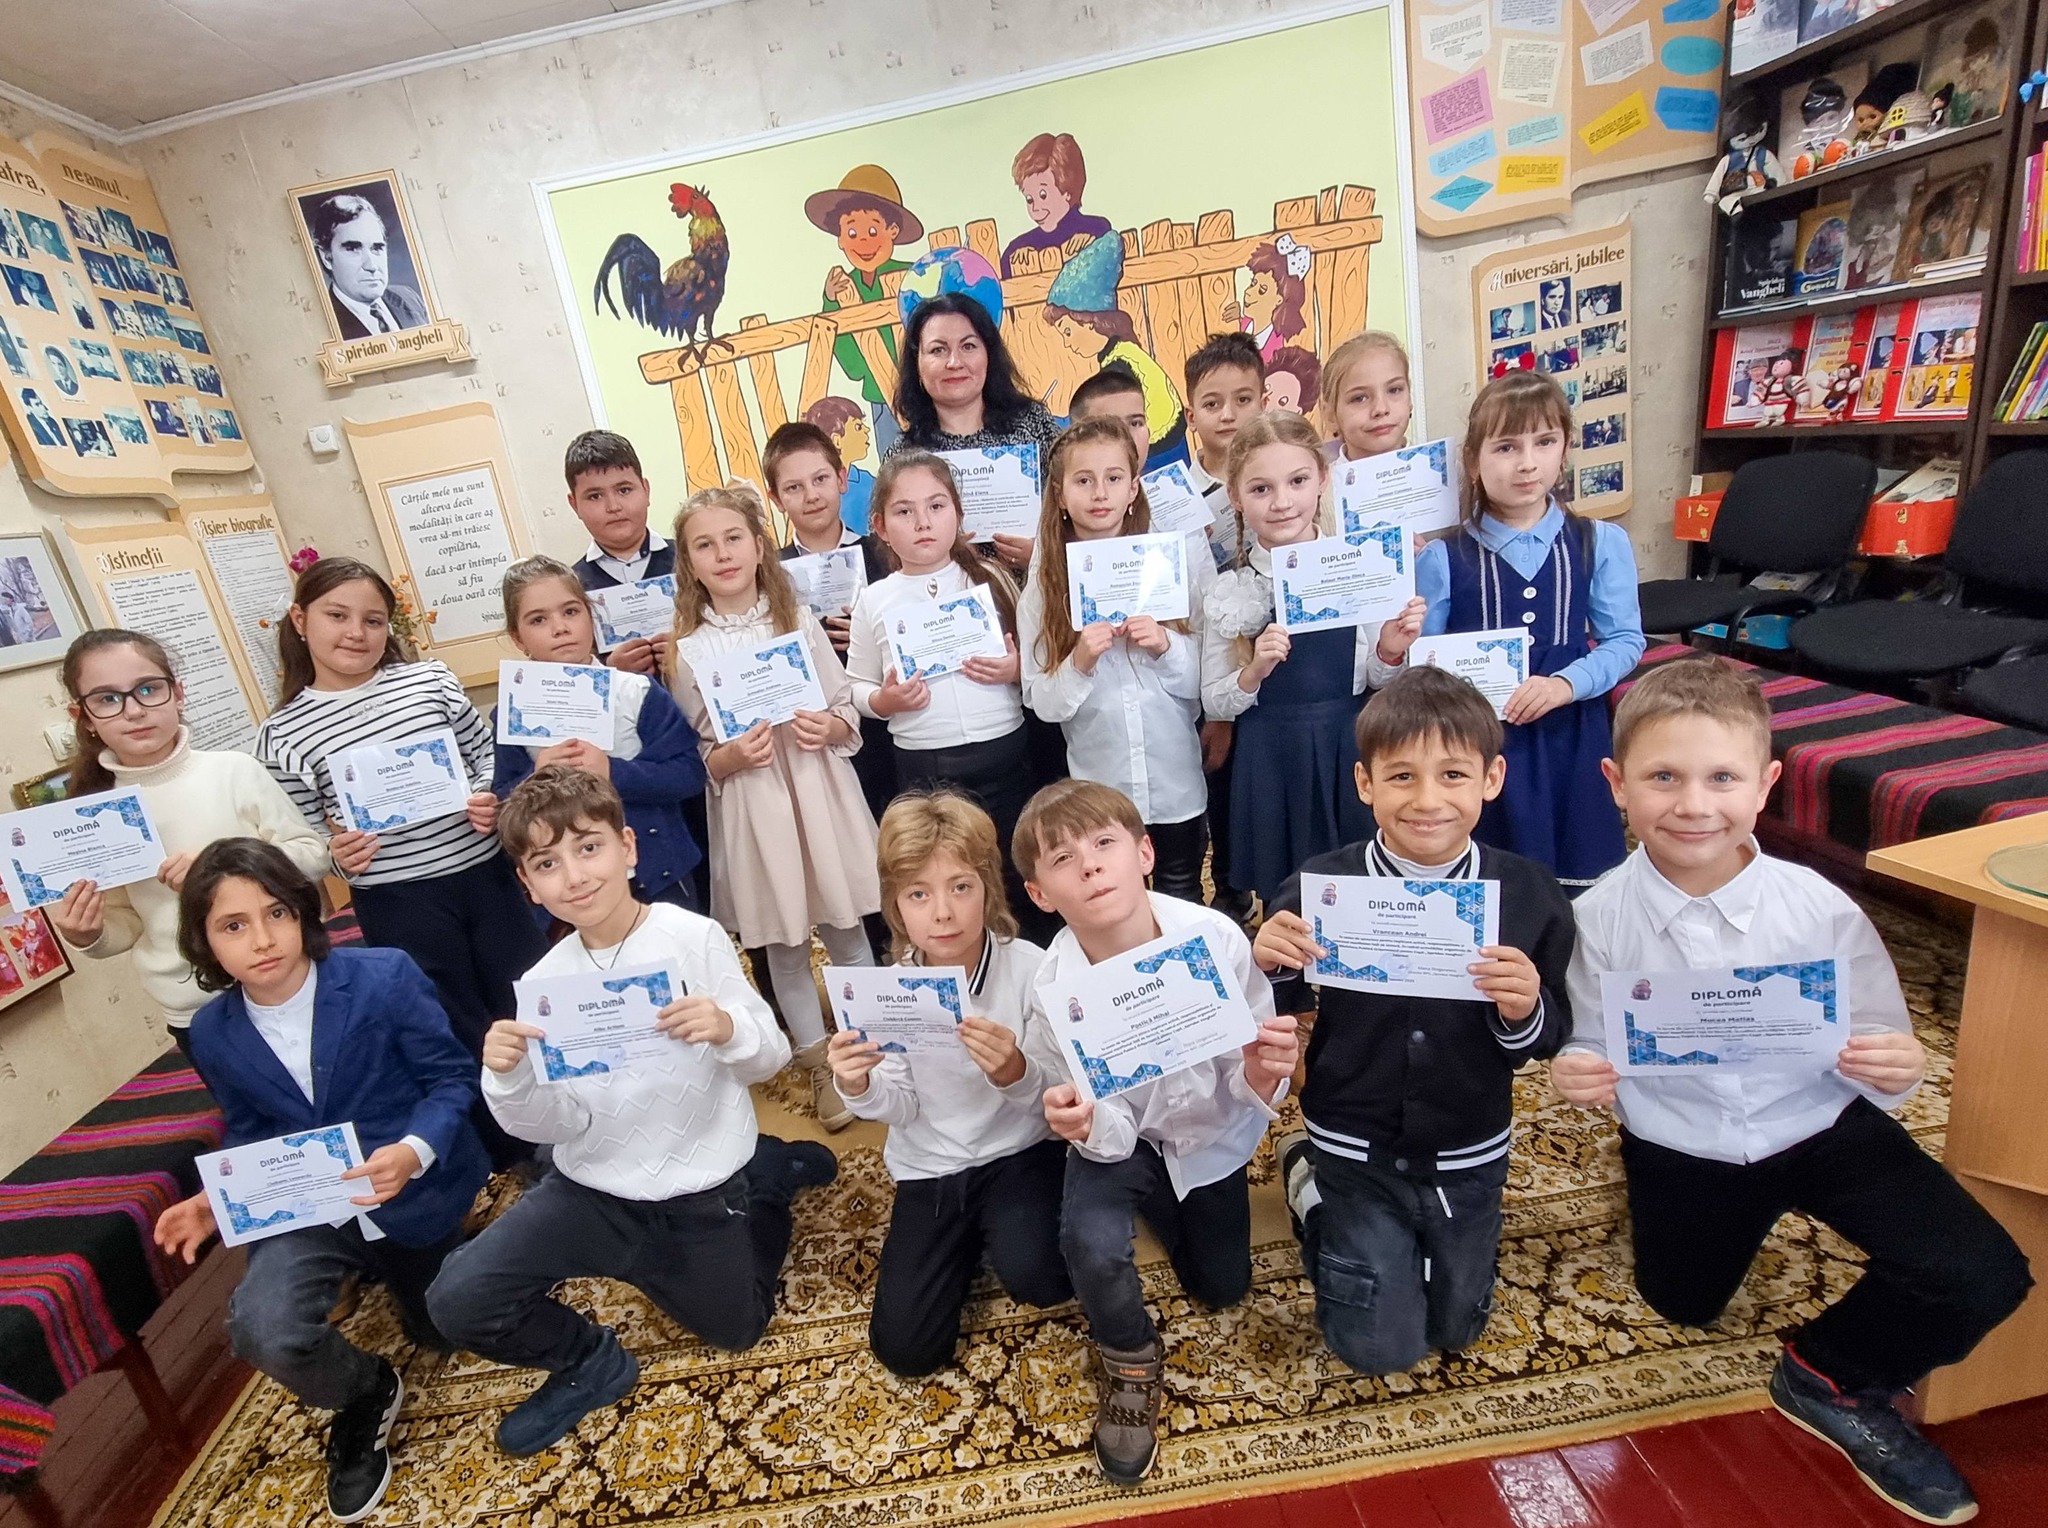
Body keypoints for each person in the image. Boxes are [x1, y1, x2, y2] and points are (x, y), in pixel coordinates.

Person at [1551, 657, 2031, 1526]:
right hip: (1683, 1142)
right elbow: (1588, 1036)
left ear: (1767, 784)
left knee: (1984, 1274)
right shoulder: (1594, 920)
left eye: (1722, 778)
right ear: (1617, 783)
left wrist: (1899, 1064)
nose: (1694, 805)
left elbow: (1885, 1034)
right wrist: (1579, 1067)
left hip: (1821, 1121)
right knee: (1683, 1304)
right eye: (1664, 778)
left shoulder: (1819, 907)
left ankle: (1826, 1376)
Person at [427, 768, 838, 1456]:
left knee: (738, 1329)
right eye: (547, 864)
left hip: (698, 1187)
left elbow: (767, 1059)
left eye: (588, 848)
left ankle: (765, 1181)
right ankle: (590, 1361)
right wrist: (508, 1077)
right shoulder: (544, 986)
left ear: (627, 848)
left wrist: (726, 1027)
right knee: (456, 1298)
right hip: (594, 1190)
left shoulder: (693, 938)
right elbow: (556, 1125)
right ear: (528, 884)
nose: (574, 876)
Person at [154, 838, 488, 1523]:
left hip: (410, 1191)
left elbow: (451, 1079)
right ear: (204, 942)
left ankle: (431, 1265)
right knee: (263, 1328)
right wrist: (217, 1202)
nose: (262, 939)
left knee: (446, 1327)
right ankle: (365, 1390)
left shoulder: (384, 976)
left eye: (275, 913)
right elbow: (249, 1128)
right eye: (233, 925)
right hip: (307, 1206)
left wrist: (413, 1151)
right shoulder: (212, 1032)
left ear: (303, 910)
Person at [1253, 667, 1574, 1374]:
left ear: (1491, 778)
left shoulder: (1529, 893)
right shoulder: (1319, 887)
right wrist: (1266, 963)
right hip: (1354, 1138)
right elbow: (1276, 1006)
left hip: (1467, 1143)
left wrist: (1525, 1007)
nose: (1428, 800)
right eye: (1401, 777)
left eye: (1453, 775)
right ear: (1365, 783)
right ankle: (1313, 1193)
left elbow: (1550, 1034)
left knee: (1459, 1325)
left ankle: (1411, 1253)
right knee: (1376, 1348)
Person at [1016, 780, 1298, 1485]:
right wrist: (1085, 1124)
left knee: (1221, 1287)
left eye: (1104, 843)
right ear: (1040, 893)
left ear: (1145, 853)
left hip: (1210, 1132)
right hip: (1124, 1133)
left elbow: (1249, 1077)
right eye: (1063, 858)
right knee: (1087, 1239)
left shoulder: (1216, 940)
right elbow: (1104, 1126)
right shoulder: (1053, 990)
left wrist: (1263, 1072)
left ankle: (1269, 1178)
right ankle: (1129, 1358)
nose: (1090, 865)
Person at [256, 556, 548, 1166]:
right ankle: (508, 1152)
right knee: (453, 1022)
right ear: (300, 620)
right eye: (337, 616)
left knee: (528, 994)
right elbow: (304, 835)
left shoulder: (428, 681)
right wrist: (335, 855)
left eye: (373, 620)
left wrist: (486, 795)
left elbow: (484, 754)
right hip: (397, 900)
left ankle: (568, 1121)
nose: (356, 632)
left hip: (484, 875)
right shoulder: (282, 734)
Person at [1370, 371, 1644, 893]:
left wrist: (1565, 684)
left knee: (1580, 875)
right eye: (1506, 447)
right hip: (1481, 743)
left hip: (1572, 736)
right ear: (1473, 462)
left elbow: (1626, 641)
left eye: (1544, 442)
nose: (1527, 463)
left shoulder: (1600, 541)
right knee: (1494, 878)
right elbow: (1423, 667)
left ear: (1565, 449)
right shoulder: (1442, 557)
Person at [827, 791, 1069, 1375]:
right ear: (894, 905)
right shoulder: (887, 991)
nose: (943, 913)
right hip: (931, 1164)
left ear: (988, 889)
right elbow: (901, 1107)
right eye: (919, 894)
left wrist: (1015, 1071)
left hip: (1021, 1150)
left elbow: (1062, 1094)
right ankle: (970, 1236)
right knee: (906, 1352)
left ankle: (1003, 1229)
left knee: (1046, 1280)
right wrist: (857, 1086)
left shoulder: (1032, 967)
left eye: (961, 887)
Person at [668, 484, 882, 1131]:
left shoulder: (798, 622)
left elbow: (844, 707)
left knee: (846, 928)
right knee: (786, 945)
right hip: (755, 805)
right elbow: (695, 752)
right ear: (689, 563)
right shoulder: (686, 649)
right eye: (705, 545)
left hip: (817, 788)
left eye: (734, 538)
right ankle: (819, 1061)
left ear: (759, 546)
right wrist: (729, 757)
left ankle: (871, 1045)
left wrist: (829, 726)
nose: (723, 553)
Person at [43, 631, 331, 1051]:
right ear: (83, 716)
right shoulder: (93, 813)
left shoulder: (233, 770)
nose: (134, 711)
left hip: (289, 979)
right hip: (193, 1005)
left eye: (148, 689)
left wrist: (224, 867)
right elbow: (128, 922)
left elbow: (313, 856)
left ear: (178, 693)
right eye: (107, 699)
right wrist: (88, 934)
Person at [847, 451, 1050, 940]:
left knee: (1016, 873)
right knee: (952, 880)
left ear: (958, 514)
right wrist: (885, 702)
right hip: (927, 768)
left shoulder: (991, 578)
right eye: (904, 511)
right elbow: (854, 686)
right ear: (880, 525)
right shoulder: (874, 599)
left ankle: (1030, 965)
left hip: (1005, 755)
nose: (923, 522)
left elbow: (1041, 661)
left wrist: (1016, 669)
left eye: (936, 506)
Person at [1018, 417, 1207, 903]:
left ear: (1133, 488)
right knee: (1115, 900)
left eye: (1114, 477)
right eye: (1083, 480)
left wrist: (1165, 645)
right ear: (1060, 495)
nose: (1100, 493)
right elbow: (1041, 702)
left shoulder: (1169, 565)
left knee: (1181, 893)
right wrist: (1079, 661)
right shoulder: (1044, 587)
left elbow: (1204, 683)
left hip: (1175, 783)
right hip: (1100, 790)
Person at [1201, 411, 1372, 913]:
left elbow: (1379, 676)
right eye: (1261, 489)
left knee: (1357, 884)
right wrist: (1253, 670)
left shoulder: (1357, 565)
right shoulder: (1230, 588)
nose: (1282, 502)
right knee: (1286, 896)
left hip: (1348, 743)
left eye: (1297, 481)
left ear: (1322, 479)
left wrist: (1391, 647)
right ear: (1235, 496)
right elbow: (1214, 699)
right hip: (1271, 754)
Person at [491, 557, 705, 913]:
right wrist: (536, 776)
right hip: (571, 890)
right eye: (538, 620)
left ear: (591, 616)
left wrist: (611, 771)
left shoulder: (636, 691)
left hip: (658, 876)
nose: (560, 628)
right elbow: (503, 802)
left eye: (571, 612)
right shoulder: (512, 713)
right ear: (518, 637)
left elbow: (689, 773)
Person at [765, 420, 897, 837]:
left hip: (886, 726)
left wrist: (870, 632)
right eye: (794, 487)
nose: (811, 495)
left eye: (820, 479)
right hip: (816, 733)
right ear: (775, 498)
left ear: (841, 478)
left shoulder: (886, 553)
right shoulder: (768, 575)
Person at [1182, 332, 1268, 925]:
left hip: (1274, 667)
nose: (1229, 414)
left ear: (1265, 400)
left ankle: (1268, 884)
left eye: (1243, 399)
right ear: (1191, 414)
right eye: (1213, 403)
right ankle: (1231, 891)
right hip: (1206, 671)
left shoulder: (1285, 479)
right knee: (1219, 780)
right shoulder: (1171, 497)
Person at [888, 291, 1060, 574]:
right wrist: (941, 558)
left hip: (1038, 591)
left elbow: (1074, 506)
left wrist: (1042, 556)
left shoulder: (1034, 423)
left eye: (968, 346)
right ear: (917, 363)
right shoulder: (905, 456)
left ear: (988, 355)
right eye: (938, 350)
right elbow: (887, 547)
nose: (954, 362)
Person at [1041, 233, 1188, 471]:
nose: (1067, 343)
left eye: (1068, 331)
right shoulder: (1123, 352)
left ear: (1089, 322)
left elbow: (1099, 418)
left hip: (1159, 458)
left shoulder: (1121, 364)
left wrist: (1052, 421)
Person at [805, 164, 924, 458]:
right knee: (893, 462)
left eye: (872, 230)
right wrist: (831, 300)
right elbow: (851, 362)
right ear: (840, 238)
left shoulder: (912, 275)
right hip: (880, 398)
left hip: (923, 391)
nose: (863, 241)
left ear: (892, 231)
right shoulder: (844, 287)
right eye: (852, 231)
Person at [562, 430, 674, 676]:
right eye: (595, 496)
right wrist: (609, 671)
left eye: (624, 490)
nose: (613, 506)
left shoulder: (691, 561)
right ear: (574, 505)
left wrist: (690, 654)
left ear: (646, 490)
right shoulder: (571, 589)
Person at [309, 192, 428, 339]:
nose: (372, 266)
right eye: (353, 249)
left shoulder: (408, 297)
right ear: (326, 257)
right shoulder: (319, 326)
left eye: (377, 248)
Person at [1000, 132, 1113, 276]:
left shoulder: (1097, 228)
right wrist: (1017, 264)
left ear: (1067, 191)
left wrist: (1093, 242)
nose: (1035, 208)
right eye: (1029, 199)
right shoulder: (1019, 246)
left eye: (1043, 195)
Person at [1319, 331, 1414, 466]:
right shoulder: (1325, 479)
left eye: (1394, 390)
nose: (1381, 409)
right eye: (1359, 398)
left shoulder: (1438, 471)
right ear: (1330, 414)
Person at [799, 395, 878, 534]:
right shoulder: (813, 492)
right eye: (858, 427)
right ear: (837, 440)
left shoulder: (869, 481)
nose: (867, 430)